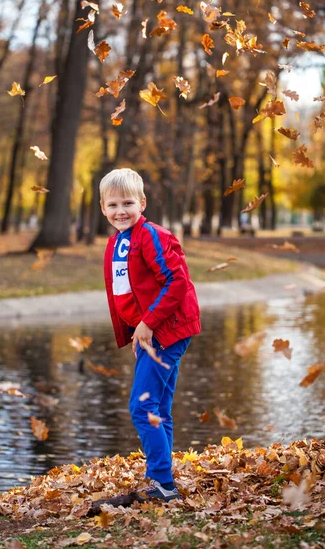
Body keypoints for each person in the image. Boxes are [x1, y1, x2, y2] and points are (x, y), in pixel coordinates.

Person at [100, 168, 201, 501]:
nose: (121, 211)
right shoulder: (116, 242)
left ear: (142, 203)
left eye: (128, 202)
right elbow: (128, 291)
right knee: (158, 407)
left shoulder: (152, 236)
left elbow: (178, 282)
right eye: (113, 204)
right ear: (103, 208)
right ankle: (164, 479)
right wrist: (135, 332)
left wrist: (149, 324)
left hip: (167, 329)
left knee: (142, 408)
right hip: (149, 333)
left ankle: (161, 484)